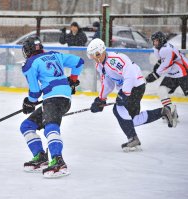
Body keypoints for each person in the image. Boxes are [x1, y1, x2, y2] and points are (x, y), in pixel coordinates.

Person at [86, 38, 177, 152]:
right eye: (92, 56)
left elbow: (130, 74)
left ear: (103, 50)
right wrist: (100, 99)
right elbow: (107, 83)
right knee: (131, 120)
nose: (95, 58)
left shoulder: (115, 60)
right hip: (130, 88)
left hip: (136, 86)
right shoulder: (100, 65)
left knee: (118, 109)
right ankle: (165, 111)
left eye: (97, 54)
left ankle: (133, 138)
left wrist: (125, 93)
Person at [20, 36, 83, 178]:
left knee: (50, 127)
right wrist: (73, 80)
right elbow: (79, 62)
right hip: (64, 99)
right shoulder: (55, 55)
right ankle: (41, 157)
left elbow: (35, 92)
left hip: (53, 99)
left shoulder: (30, 63)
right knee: (27, 126)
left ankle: (58, 160)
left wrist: (29, 102)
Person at [145, 31, 187, 124]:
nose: (155, 43)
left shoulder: (166, 49)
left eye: (157, 41)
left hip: (183, 73)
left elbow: (166, 66)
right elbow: (162, 61)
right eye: (154, 41)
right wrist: (156, 68)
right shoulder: (160, 48)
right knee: (162, 90)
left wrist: (154, 75)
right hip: (173, 74)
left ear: (162, 40)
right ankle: (171, 111)